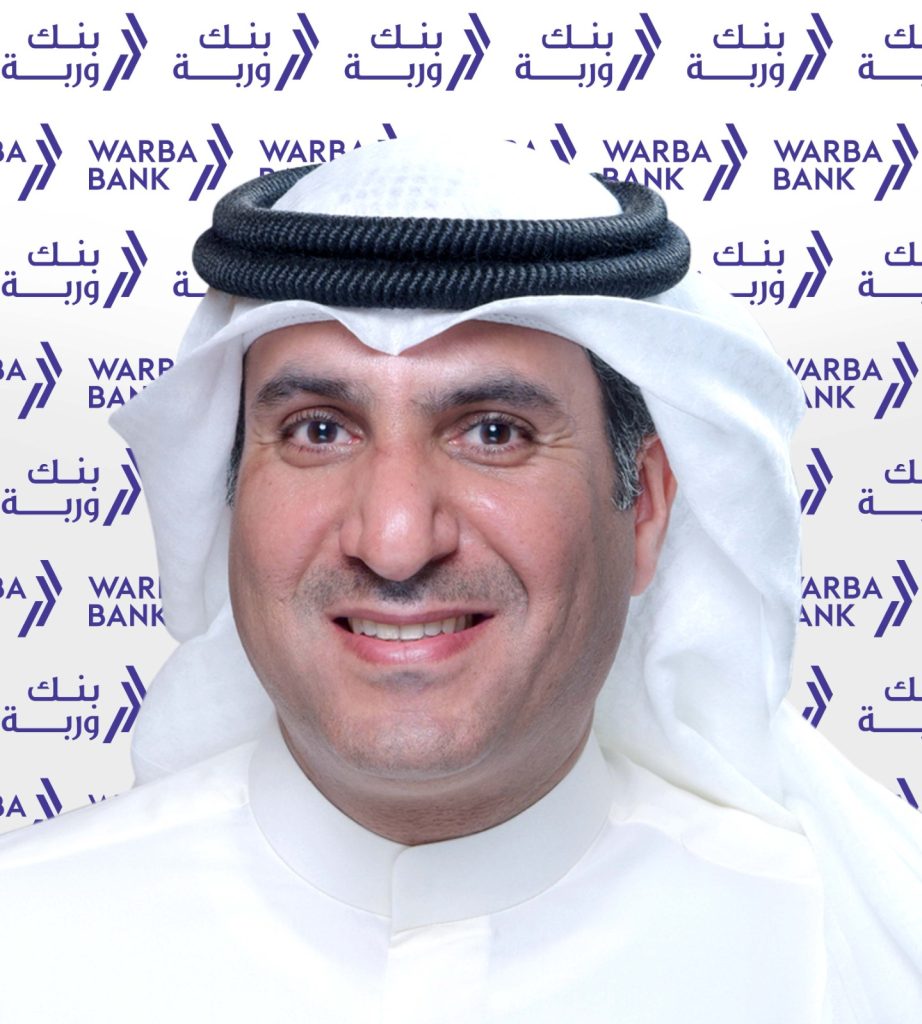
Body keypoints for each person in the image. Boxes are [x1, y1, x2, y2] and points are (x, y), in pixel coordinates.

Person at [0, 137, 919, 1022]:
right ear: (228, 489)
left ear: (643, 509)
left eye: (494, 433)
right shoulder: (25, 940)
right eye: (319, 430)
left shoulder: (841, 965)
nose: (396, 542)